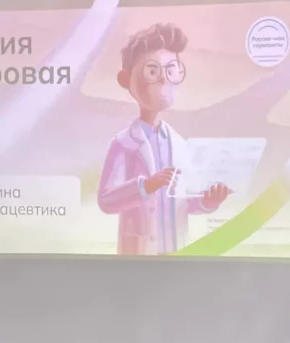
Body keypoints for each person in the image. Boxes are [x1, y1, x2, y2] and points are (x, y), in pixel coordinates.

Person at [97, 22, 230, 255]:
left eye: (172, 70)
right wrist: (146, 186)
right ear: (126, 79)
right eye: (152, 71)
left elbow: (183, 201)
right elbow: (106, 200)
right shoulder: (123, 143)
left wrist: (207, 202)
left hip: (176, 256)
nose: (164, 80)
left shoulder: (179, 144)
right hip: (137, 255)